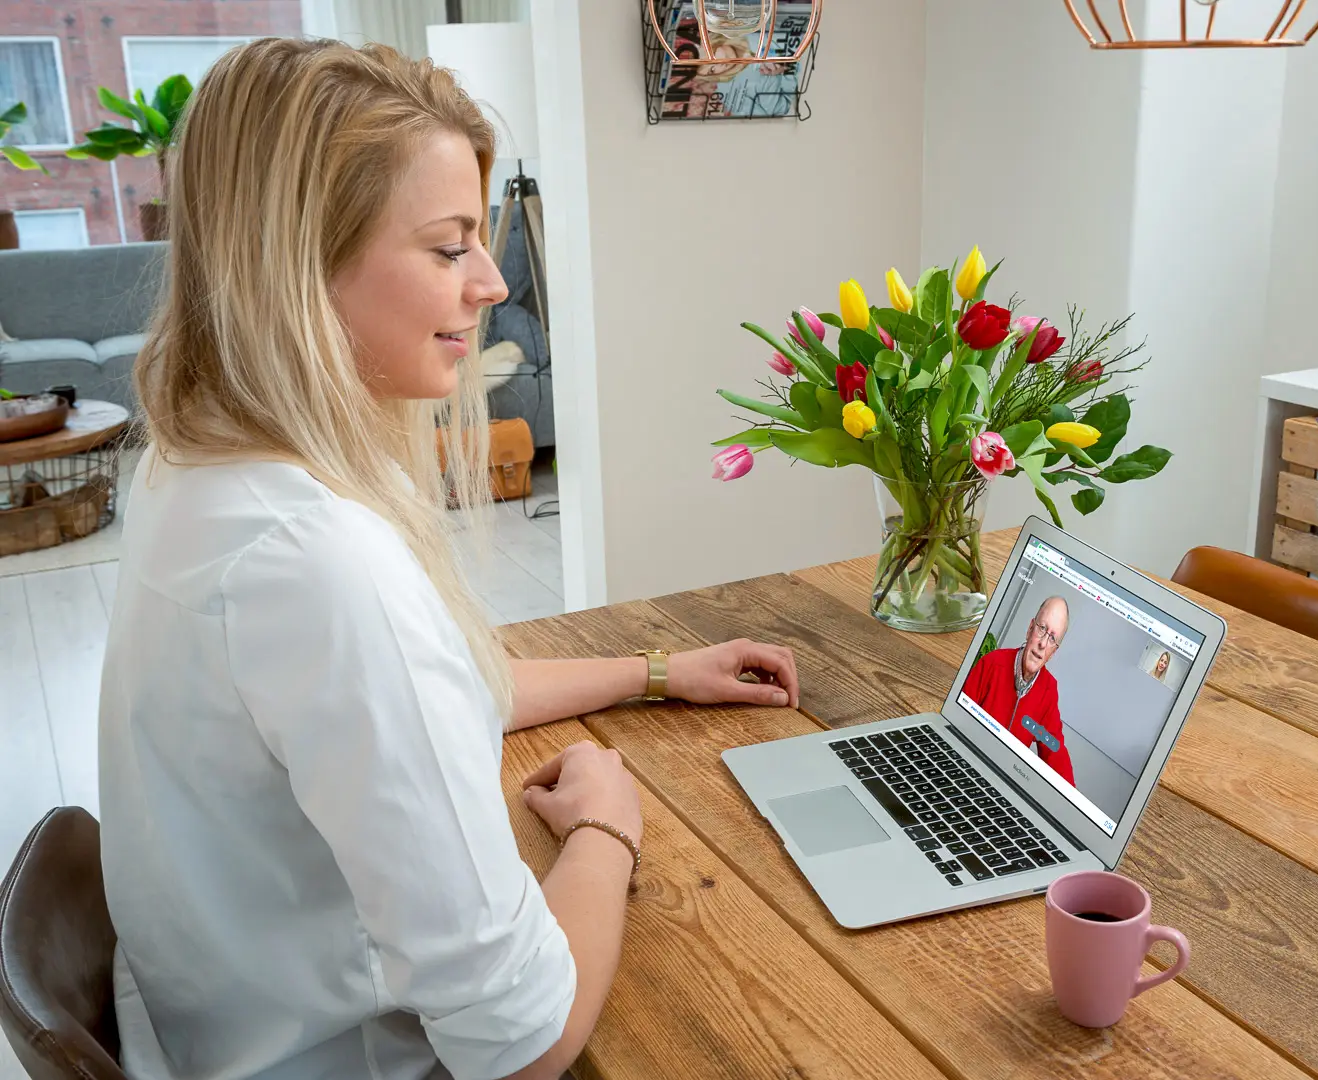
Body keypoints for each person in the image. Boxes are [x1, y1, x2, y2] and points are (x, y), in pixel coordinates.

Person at [97, 38, 800, 1080]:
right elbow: (525, 1043)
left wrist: (658, 672)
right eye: (446, 246)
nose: (489, 281)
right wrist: (608, 830)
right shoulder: (320, 564)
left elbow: (420, 697)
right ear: (299, 267)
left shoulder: (192, 470)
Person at [960, 596, 1075, 784]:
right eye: (1042, 629)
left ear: (1053, 652)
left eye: (1052, 638)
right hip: (968, 763)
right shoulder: (992, 664)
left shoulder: (1048, 691)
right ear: (1030, 629)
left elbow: (1053, 747)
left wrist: (1070, 797)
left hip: (1003, 783)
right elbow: (957, 718)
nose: (1043, 643)